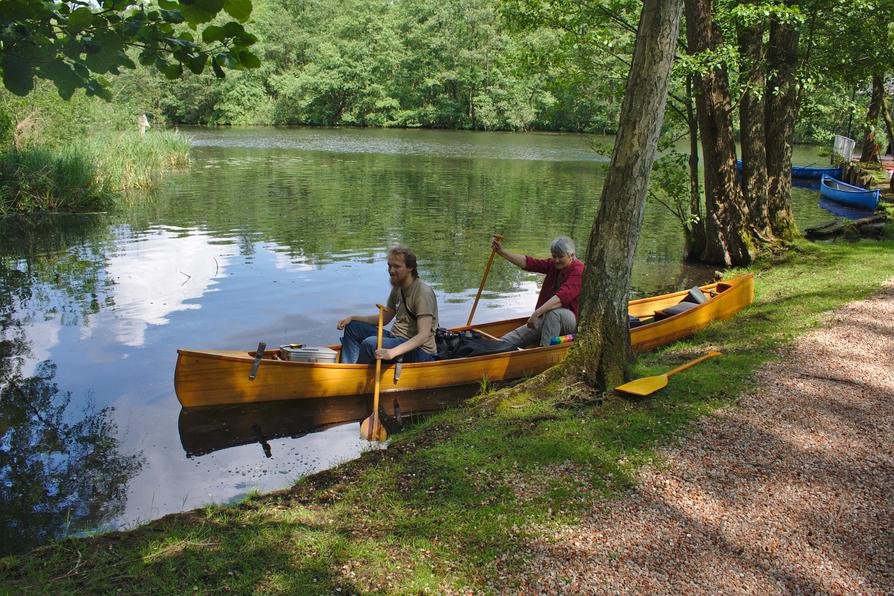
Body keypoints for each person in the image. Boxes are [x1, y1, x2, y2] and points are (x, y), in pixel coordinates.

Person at [337, 246, 439, 364]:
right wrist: (352, 318)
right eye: (389, 265)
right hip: (395, 338)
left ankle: (355, 376)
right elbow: (384, 319)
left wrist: (392, 352)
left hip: (420, 351)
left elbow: (423, 335)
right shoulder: (398, 287)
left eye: (396, 266)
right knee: (353, 327)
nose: (391, 270)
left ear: (410, 267)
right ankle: (349, 369)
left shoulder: (422, 293)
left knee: (370, 343)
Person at [492, 235, 584, 348]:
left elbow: (561, 298)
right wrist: (501, 251)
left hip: (571, 322)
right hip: (549, 317)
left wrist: (537, 313)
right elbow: (529, 263)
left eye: (560, 256)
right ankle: (493, 347)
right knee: (515, 337)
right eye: (554, 256)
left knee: (553, 314)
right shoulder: (554, 265)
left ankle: (543, 352)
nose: (556, 260)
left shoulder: (579, 270)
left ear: (571, 255)